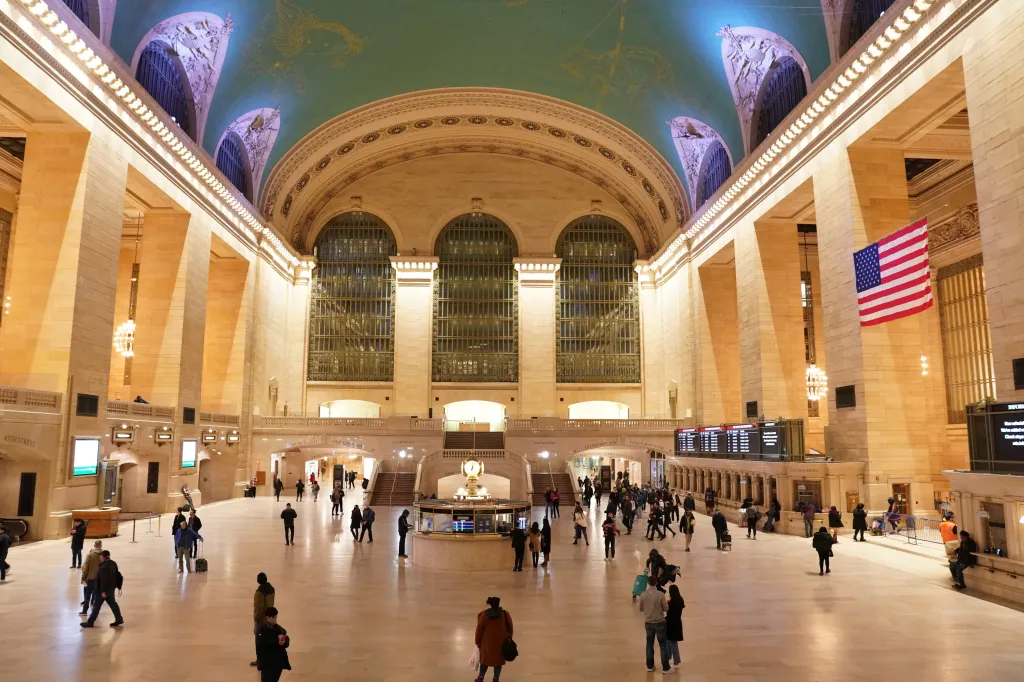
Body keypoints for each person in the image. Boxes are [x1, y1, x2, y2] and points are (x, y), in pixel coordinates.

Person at [638, 575, 673, 674]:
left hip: (648, 622)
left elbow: (640, 609)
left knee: (649, 644)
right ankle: (665, 668)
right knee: (663, 645)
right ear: (656, 583)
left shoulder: (643, 594)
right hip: (659, 622)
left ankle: (650, 666)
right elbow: (666, 609)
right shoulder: (661, 594)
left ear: (648, 583)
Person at [474, 596, 513, 682]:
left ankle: (481, 677)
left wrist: (477, 642)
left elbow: (479, 631)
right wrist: (509, 638)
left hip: (487, 643)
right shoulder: (505, 614)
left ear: (490, 604)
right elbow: (510, 627)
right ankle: (496, 679)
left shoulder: (483, 615)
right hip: (501, 642)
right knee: (498, 662)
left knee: (484, 661)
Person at [80, 550, 123, 628]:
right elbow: (117, 575)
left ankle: (90, 622)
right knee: (113, 604)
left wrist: (103, 591)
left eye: (100, 556)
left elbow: (104, 580)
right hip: (111, 589)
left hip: (102, 591)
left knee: (96, 606)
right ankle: (119, 619)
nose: (99, 557)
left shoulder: (103, 567)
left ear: (103, 557)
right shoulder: (113, 563)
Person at [255, 606, 291, 682]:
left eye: (276, 617)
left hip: (277, 663)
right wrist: (277, 640)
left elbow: (286, 637)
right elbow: (262, 643)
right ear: (267, 617)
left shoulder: (278, 628)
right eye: (274, 617)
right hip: (267, 663)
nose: (275, 619)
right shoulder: (261, 630)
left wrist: (284, 641)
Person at [251, 573, 276, 667]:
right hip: (270, 618)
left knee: (259, 642)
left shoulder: (259, 593)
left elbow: (259, 608)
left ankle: (260, 660)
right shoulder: (271, 590)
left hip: (261, 620)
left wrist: (256, 620)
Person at [80, 540, 103, 614]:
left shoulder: (90, 555)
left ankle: (84, 611)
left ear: (94, 545)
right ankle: (95, 612)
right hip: (99, 578)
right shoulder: (103, 555)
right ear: (101, 545)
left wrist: (83, 577)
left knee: (87, 595)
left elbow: (86, 567)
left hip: (90, 577)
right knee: (97, 594)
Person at [666, 584, 685, 669]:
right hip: (677, 622)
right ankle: (669, 658)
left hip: (670, 624)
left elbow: (668, 611)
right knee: (671, 642)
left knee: (672, 642)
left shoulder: (671, 602)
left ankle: (676, 660)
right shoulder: (680, 599)